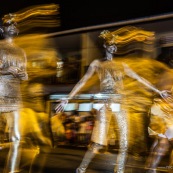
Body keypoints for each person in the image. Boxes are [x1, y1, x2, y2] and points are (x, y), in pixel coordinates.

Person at [55, 26, 156, 173]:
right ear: (105, 45)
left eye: (116, 44)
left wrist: (158, 91)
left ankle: (119, 170)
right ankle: (81, 168)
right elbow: (83, 81)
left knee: (125, 142)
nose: (114, 47)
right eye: (111, 44)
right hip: (105, 103)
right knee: (97, 143)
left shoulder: (122, 65)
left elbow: (139, 78)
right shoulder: (98, 64)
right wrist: (67, 98)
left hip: (120, 103)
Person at [0, 13, 28, 173]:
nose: (13, 25)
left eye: (15, 24)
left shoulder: (21, 52)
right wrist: (5, 70)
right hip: (0, 93)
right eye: (9, 23)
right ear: (1, 29)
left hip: (16, 96)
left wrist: (24, 75)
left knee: (17, 138)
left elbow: (26, 75)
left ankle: (12, 170)